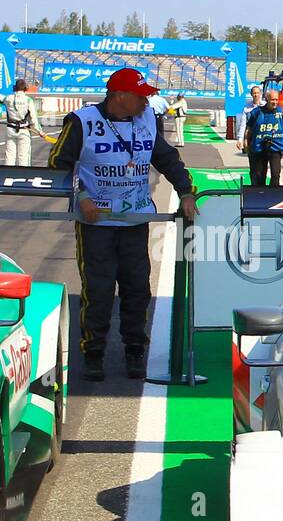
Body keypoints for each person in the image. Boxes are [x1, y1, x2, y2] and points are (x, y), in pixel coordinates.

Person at [48, 68, 197, 381]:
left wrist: (185, 192)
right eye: (141, 96)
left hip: (134, 219)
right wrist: (81, 195)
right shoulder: (81, 120)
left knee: (137, 289)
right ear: (119, 96)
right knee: (98, 290)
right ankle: (93, 352)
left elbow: (167, 159)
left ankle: (134, 349)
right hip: (94, 222)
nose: (146, 101)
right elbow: (58, 166)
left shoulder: (147, 120)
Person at [244, 88, 283, 185]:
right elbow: (249, 130)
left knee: (276, 174)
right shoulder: (256, 112)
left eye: (276, 100)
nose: (275, 102)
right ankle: (261, 195)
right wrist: (246, 143)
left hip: (276, 148)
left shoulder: (280, 113)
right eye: (272, 100)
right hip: (259, 148)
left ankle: (274, 195)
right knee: (260, 175)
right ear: (267, 99)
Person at [1, 79, 45, 166]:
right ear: (25, 88)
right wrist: (40, 131)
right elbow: (34, 118)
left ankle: (8, 176)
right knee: (24, 158)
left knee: (9, 156)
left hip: (10, 129)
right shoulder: (28, 100)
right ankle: (24, 176)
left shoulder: (8, 98)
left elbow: (1, 98)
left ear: (15, 88)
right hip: (24, 130)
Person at [235, 85, 263, 154]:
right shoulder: (247, 108)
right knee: (252, 158)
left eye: (257, 93)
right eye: (254, 93)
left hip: (263, 136)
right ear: (251, 94)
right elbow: (243, 124)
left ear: (260, 94)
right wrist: (240, 139)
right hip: (251, 135)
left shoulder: (265, 105)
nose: (256, 95)